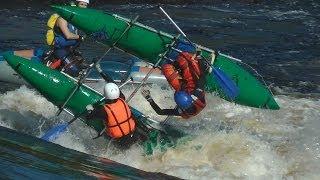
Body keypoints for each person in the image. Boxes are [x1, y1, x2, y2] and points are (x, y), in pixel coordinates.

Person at [85, 64, 146, 148]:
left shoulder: (103, 110)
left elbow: (88, 117)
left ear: (105, 94)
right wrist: (100, 71)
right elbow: (112, 83)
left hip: (121, 141)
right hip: (134, 134)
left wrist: (89, 108)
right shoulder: (122, 98)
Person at [141, 50, 207, 119]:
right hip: (191, 85)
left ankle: (163, 61)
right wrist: (200, 58)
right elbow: (202, 76)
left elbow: (160, 112)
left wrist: (149, 99)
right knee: (184, 62)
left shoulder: (181, 111)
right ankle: (199, 63)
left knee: (166, 68)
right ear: (189, 97)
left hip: (181, 87)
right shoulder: (197, 94)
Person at [47, 0, 90, 76]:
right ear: (76, 5)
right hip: (60, 49)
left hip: (70, 49)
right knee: (74, 70)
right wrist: (80, 37)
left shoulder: (76, 20)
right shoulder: (62, 19)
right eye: (82, 4)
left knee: (85, 66)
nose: (83, 7)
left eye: (85, 5)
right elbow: (68, 36)